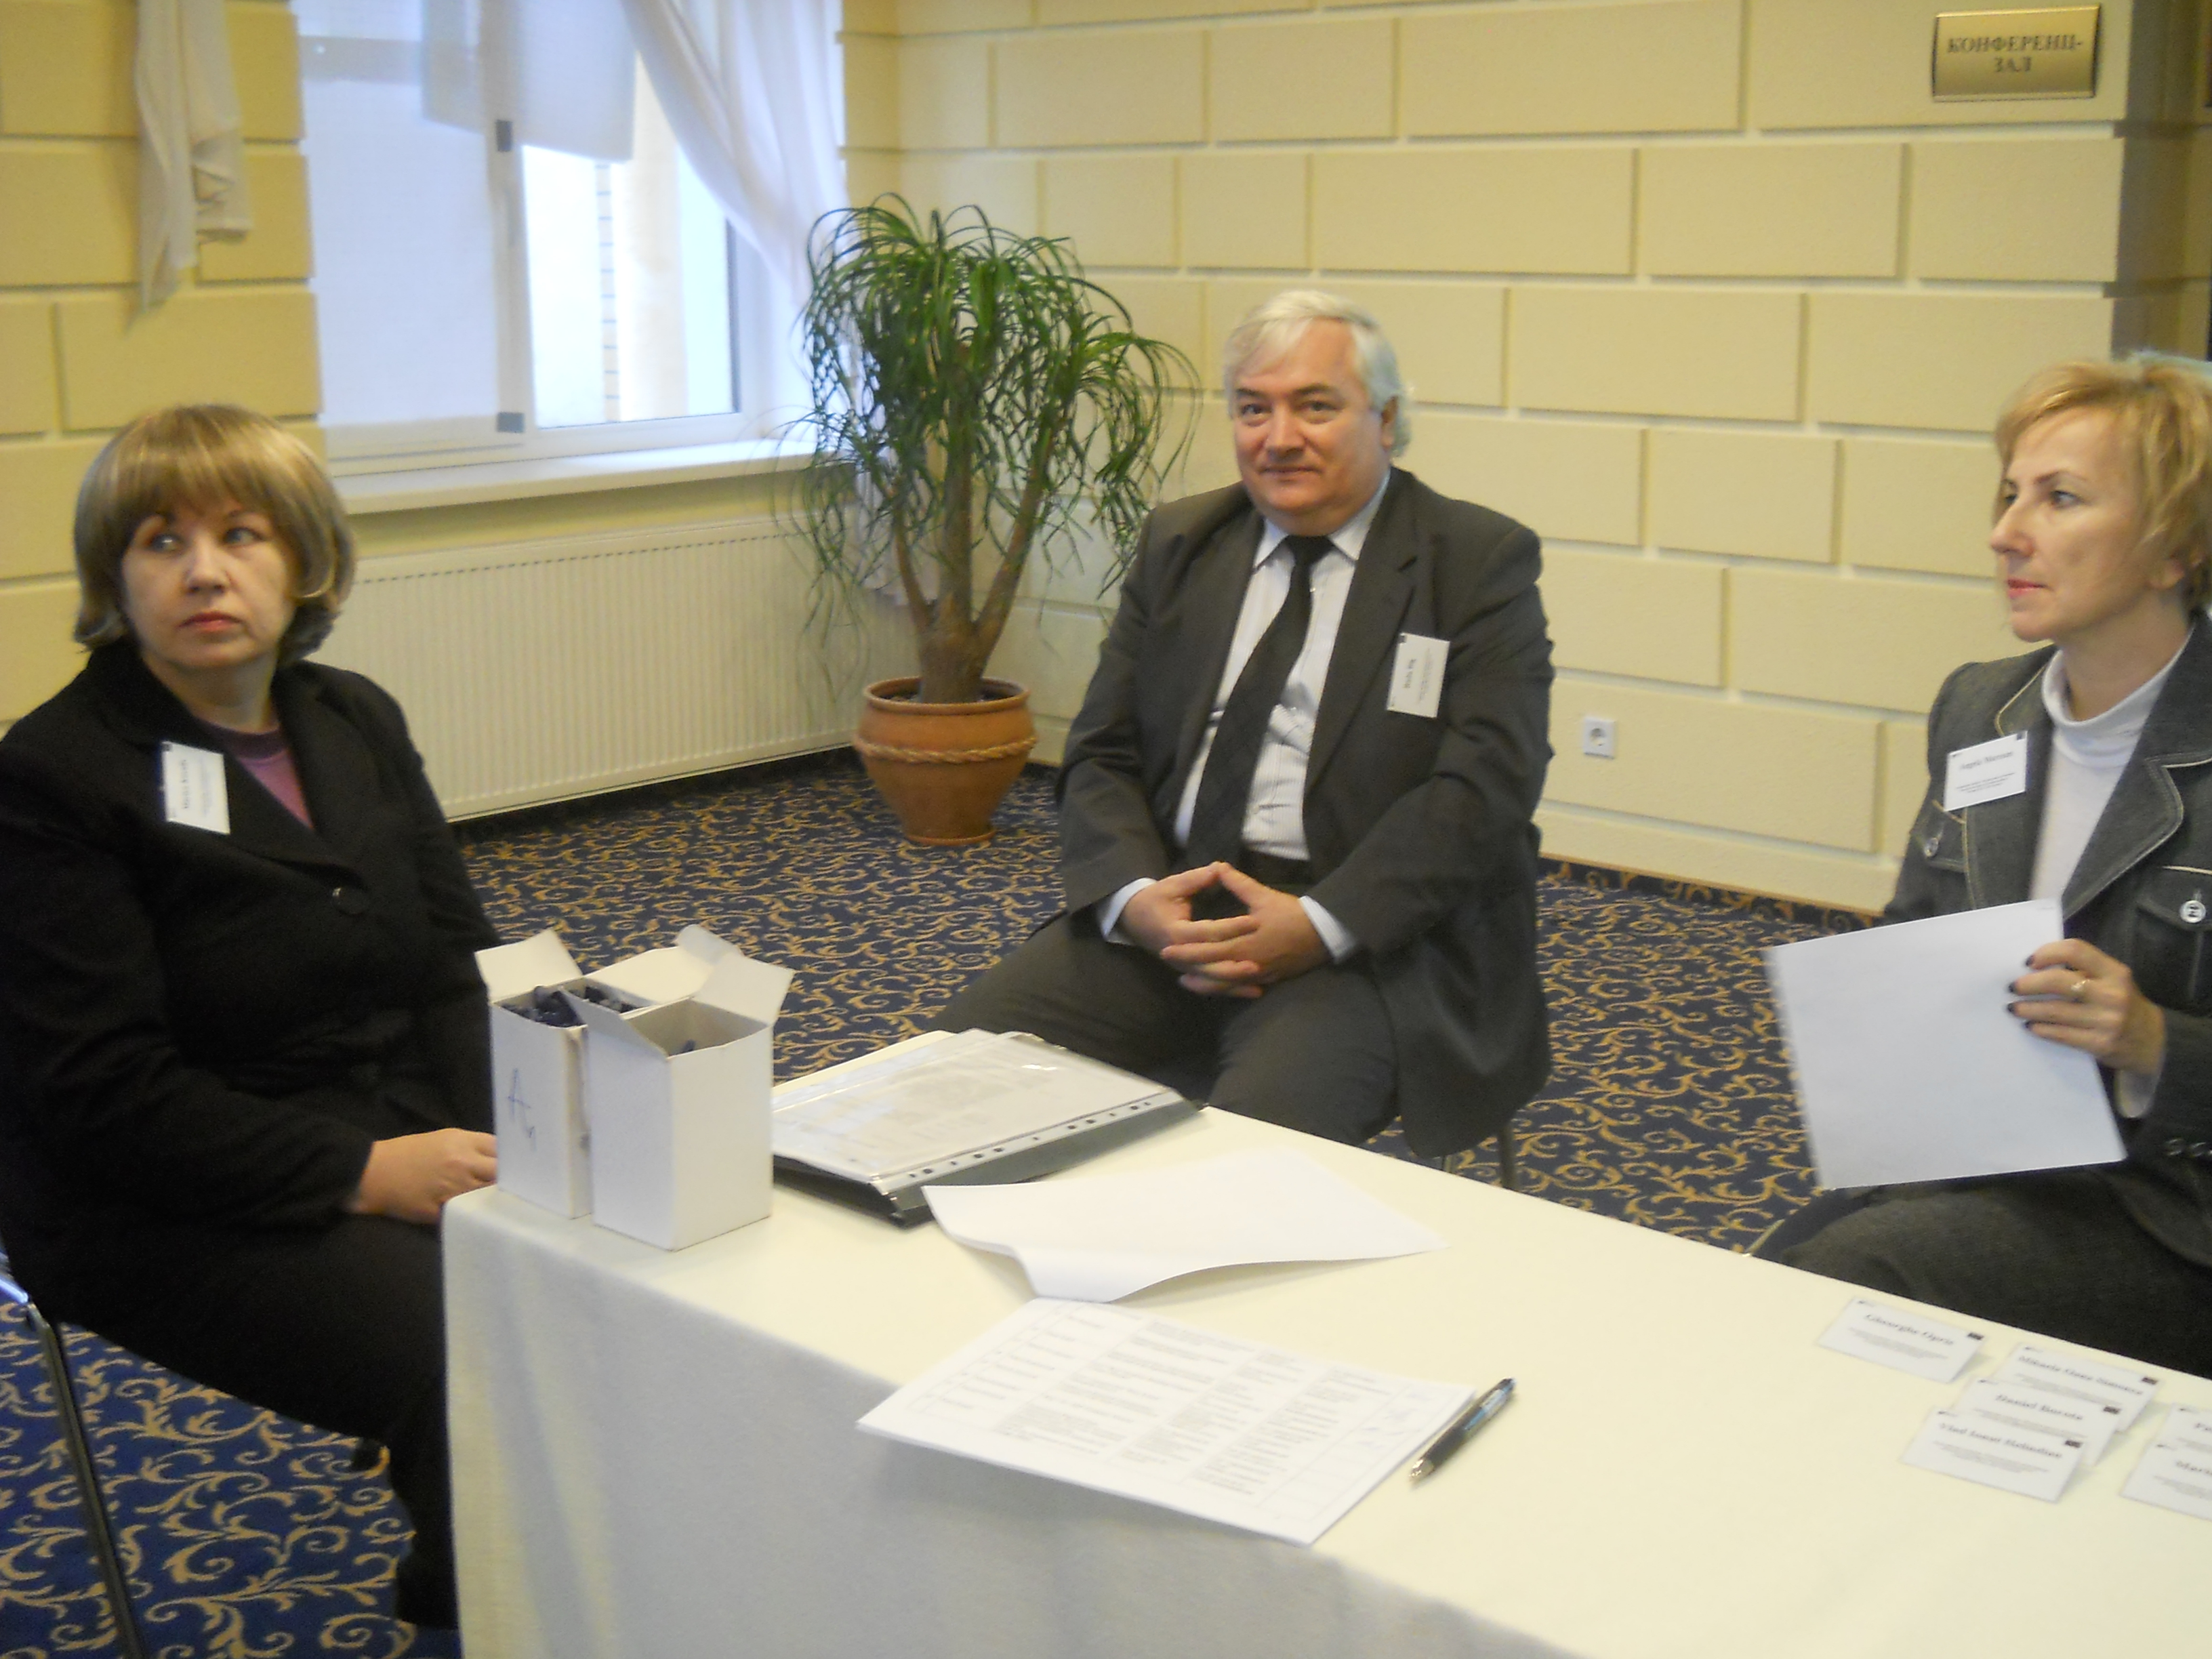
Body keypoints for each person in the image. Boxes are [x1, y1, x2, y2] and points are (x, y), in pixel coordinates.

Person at [0, 405, 498, 1628]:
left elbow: (453, 963)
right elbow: (104, 1093)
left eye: (242, 534)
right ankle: (484, 1611)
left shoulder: (352, 717)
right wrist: (363, 1173)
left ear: (304, 560)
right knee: (480, 1346)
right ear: (115, 576)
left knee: (621, 1257)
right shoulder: (55, 774)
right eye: (161, 540)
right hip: (159, 1197)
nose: (204, 571)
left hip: (392, 1117)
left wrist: (540, 1131)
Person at [935, 290, 1553, 1158]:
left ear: (1386, 420)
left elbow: (1484, 791)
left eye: (1315, 406)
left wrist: (1321, 923)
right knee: (948, 1081)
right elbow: (1104, 753)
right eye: (1254, 409)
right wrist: (1135, 900)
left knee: (1247, 1160)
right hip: (1173, 916)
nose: (1279, 437)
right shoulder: (1183, 542)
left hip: (1363, 943)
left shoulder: (1475, 562)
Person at [1780, 355, 2212, 1380]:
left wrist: (2155, 1043)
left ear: (2176, 549)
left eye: (2060, 499)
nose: (2006, 533)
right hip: (1984, 1156)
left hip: (2170, 1210)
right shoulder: (1982, 708)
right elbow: (1917, 932)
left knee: (1853, 1284)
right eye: (2010, 493)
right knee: (1764, 1287)